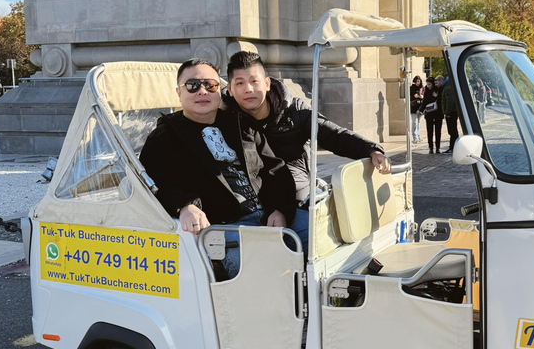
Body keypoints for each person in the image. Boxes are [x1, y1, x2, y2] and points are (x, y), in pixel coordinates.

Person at [140, 58, 305, 278]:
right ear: (179, 92)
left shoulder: (239, 123)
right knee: (262, 275)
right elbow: (151, 186)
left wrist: (280, 209)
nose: (202, 91)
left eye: (210, 85)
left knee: (319, 240)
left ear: (220, 90)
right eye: (192, 86)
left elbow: (274, 169)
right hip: (225, 227)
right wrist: (185, 206)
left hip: (268, 215)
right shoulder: (164, 137)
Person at [223, 51, 390, 208]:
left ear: (267, 84)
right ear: (230, 89)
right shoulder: (226, 119)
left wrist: (371, 150)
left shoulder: (295, 111)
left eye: (254, 81)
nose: (248, 89)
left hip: (300, 196)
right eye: (239, 83)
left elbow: (334, 135)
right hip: (253, 202)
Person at [418, 77, 443, 154]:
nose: (428, 86)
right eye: (427, 84)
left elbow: (442, 100)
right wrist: (420, 110)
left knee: (438, 131)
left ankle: (438, 147)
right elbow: (424, 102)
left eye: (429, 84)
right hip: (429, 114)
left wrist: (436, 96)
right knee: (430, 131)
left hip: (438, 113)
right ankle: (431, 147)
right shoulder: (426, 91)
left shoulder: (438, 90)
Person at [441, 76, 459, 154]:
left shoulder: (448, 88)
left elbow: (450, 102)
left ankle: (453, 147)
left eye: (437, 82)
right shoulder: (449, 86)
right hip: (453, 112)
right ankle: (454, 147)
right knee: (453, 131)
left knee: (452, 131)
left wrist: (447, 113)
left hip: (451, 113)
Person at [410, 75, 424, 143]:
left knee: (418, 122)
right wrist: (414, 96)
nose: (417, 83)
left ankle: (418, 136)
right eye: (416, 81)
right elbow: (409, 97)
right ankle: (415, 137)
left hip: (420, 107)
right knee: (414, 122)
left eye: (418, 81)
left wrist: (422, 96)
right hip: (413, 107)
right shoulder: (412, 88)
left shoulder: (422, 88)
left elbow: (425, 96)